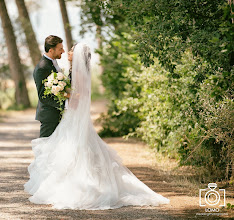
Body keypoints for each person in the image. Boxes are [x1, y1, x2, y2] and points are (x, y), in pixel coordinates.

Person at [25, 43, 170, 210]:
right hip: (71, 116)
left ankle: (80, 187)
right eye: (67, 49)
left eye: (71, 50)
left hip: (74, 115)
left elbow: (80, 94)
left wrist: (64, 94)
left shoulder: (78, 72)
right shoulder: (74, 70)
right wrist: (64, 92)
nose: (68, 52)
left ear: (78, 56)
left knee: (74, 149)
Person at [33, 35, 65, 138]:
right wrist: (64, 105)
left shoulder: (53, 63)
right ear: (51, 50)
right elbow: (43, 96)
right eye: (60, 49)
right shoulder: (42, 68)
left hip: (57, 114)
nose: (63, 51)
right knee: (44, 147)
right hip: (49, 116)